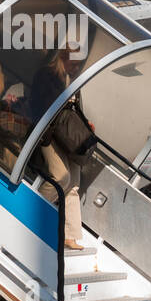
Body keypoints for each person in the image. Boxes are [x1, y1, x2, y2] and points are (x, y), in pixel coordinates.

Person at [31, 46, 92, 251]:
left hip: (67, 137)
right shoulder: (47, 75)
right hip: (49, 135)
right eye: (73, 64)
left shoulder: (72, 79)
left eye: (78, 66)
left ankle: (70, 235)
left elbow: (75, 110)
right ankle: (32, 214)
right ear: (63, 59)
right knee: (61, 177)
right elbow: (45, 107)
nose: (75, 69)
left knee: (74, 183)